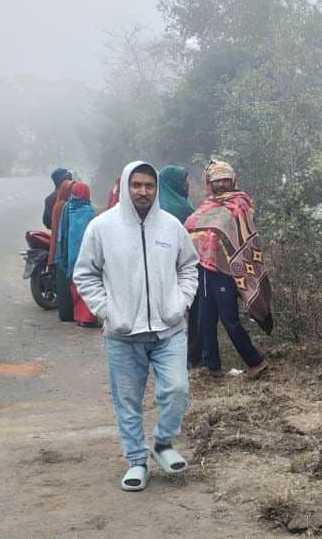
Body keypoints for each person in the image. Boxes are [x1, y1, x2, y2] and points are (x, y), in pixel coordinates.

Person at [74, 161, 199, 492]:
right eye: (137, 185)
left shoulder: (171, 227)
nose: (143, 191)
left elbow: (189, 266)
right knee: (127, 402)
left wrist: (181, 301)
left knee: (177, 389)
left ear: (156, 189)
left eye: (149, 185)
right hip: (123, 334)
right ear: (126, 187)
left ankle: (162, 444)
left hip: (168, 329)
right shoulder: (103, 227)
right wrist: (108, 311)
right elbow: (84, 274)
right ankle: (136, 461)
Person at [184, 160, 272, 379]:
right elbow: (190, 227)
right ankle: (211, 366)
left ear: (233, 180)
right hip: (204, 269)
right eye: (217, 180)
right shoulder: (207, 205)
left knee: (229, 319)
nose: (222, 184)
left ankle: (256, 362)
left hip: (226, 270)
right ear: (209, 183)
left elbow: (238, 236)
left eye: (225, 179)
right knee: (205, 318)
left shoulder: (239, 204)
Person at [158, 165, 201, 368]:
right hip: (179, 268)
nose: (187, 185)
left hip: (165, 269)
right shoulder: (179, 208)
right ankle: (186, 356)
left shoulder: (163, 203)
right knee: (185, 313)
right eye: (184, 181)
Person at [54, 182, 97, 327]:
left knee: (75, 284)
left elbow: (63, 232)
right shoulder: (89, 211)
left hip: (72, 254)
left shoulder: (67, 208)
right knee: (88, 284)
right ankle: (87, 318)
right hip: (86, 254)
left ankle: (79, 315)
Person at [47, 178, 74, 322]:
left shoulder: (58, 203)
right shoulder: (65, 206)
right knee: (65, 283)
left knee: (62, 282)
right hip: (63, 248)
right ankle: (67, 313)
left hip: (56, 246)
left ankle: (64, 312)